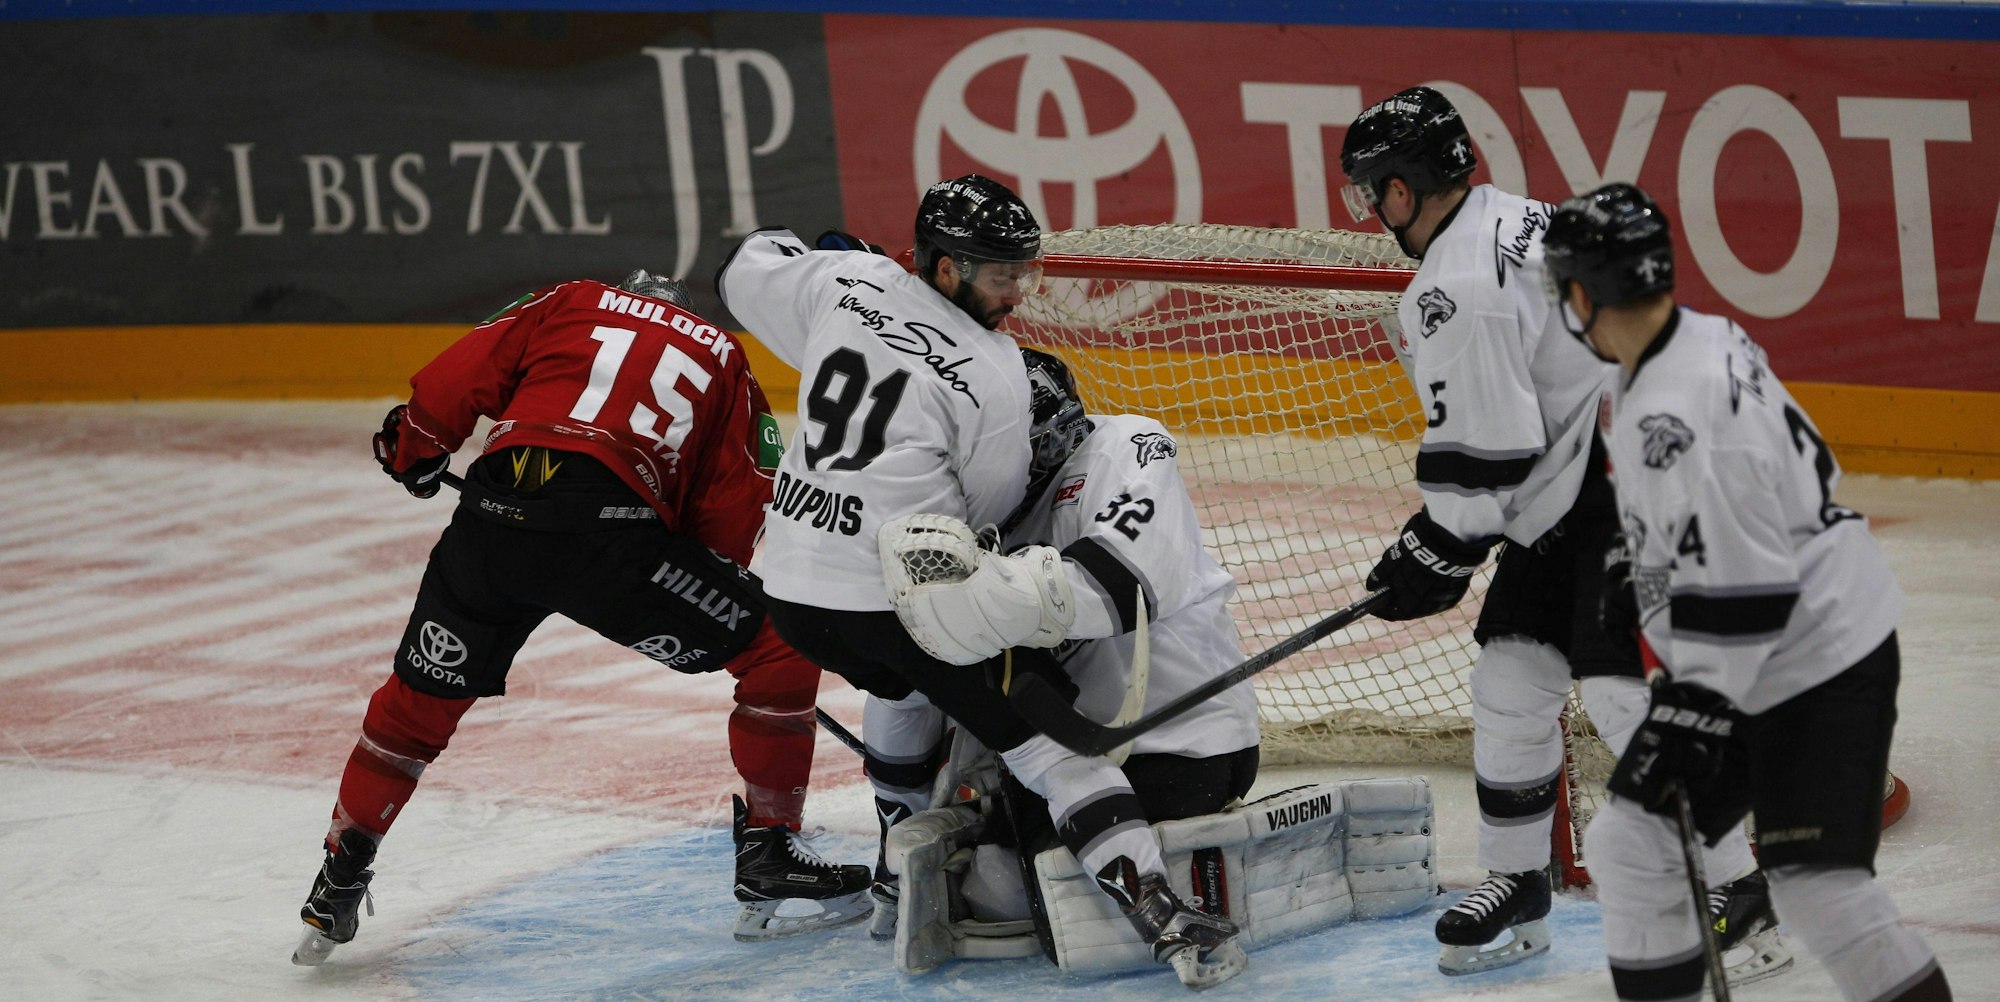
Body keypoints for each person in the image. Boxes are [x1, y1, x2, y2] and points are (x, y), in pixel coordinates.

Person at [716, 175, 1246, 989]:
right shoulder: (995, 372)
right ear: (948, 267)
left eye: (1024, 271)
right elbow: (981, 523)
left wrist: (830, 262)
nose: (1017, 293)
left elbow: (744, 267)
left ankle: (894, 875)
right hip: (883, 595)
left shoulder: (846, 282)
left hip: (790, 588)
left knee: (905, 689)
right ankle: (1165, 919)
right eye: (1002, 275)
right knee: (1055, 747)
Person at [291, 270, 870, 967]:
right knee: (778, 646)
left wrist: (414, 448)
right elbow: (736, 499)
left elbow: (459, 376)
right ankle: (771, 854)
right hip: (609, 534)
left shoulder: (568, 299)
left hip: (490, 524)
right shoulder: (721, 352)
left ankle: (339, 875)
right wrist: (698, 579)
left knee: (417, 706)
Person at [1336, 85, 1776, 978]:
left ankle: (1742, 896)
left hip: (1627, 482)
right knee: (1512, 677)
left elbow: (1489, 452)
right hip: (1589, 481)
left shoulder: (1458, 285)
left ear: (1401, 189)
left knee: (1622, 695)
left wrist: (1435, 547)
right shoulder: (1510, 217)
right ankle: (1519, 880)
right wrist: (1442, 543)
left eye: (1371, 190)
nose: (1369, 209)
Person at [1545, 182, 1952, 1002]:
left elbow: (1753, 594)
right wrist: (1638, 561)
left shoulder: (1680, 413)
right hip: (1782, 642)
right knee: (1635, 845)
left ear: (1584, 294)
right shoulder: (1687, 341)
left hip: (1812, 658)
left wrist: (1693, 714)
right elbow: (1729, 518)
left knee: (1818, 887)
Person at [865, 346, 1262, 916]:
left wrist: (974, 601)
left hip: (1178, 741)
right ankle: (900, 822)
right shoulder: (984, 502)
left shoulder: (1127, 446)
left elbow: (1117, 588)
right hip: (1071, 749)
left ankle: (1187, 865)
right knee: (980, 891)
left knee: (1008, 900)